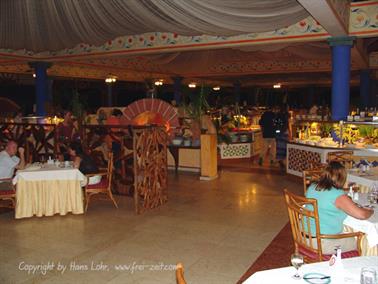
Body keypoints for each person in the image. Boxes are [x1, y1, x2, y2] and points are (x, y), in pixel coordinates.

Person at [305, 161, 373, 254]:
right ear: (342, 178)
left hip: (305, 237)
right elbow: (362, 215)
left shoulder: (312, 187)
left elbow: (327, 198)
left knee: (346, 231)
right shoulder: (337, 195)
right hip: (322, 243)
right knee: (362, 241)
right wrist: (370, 211)